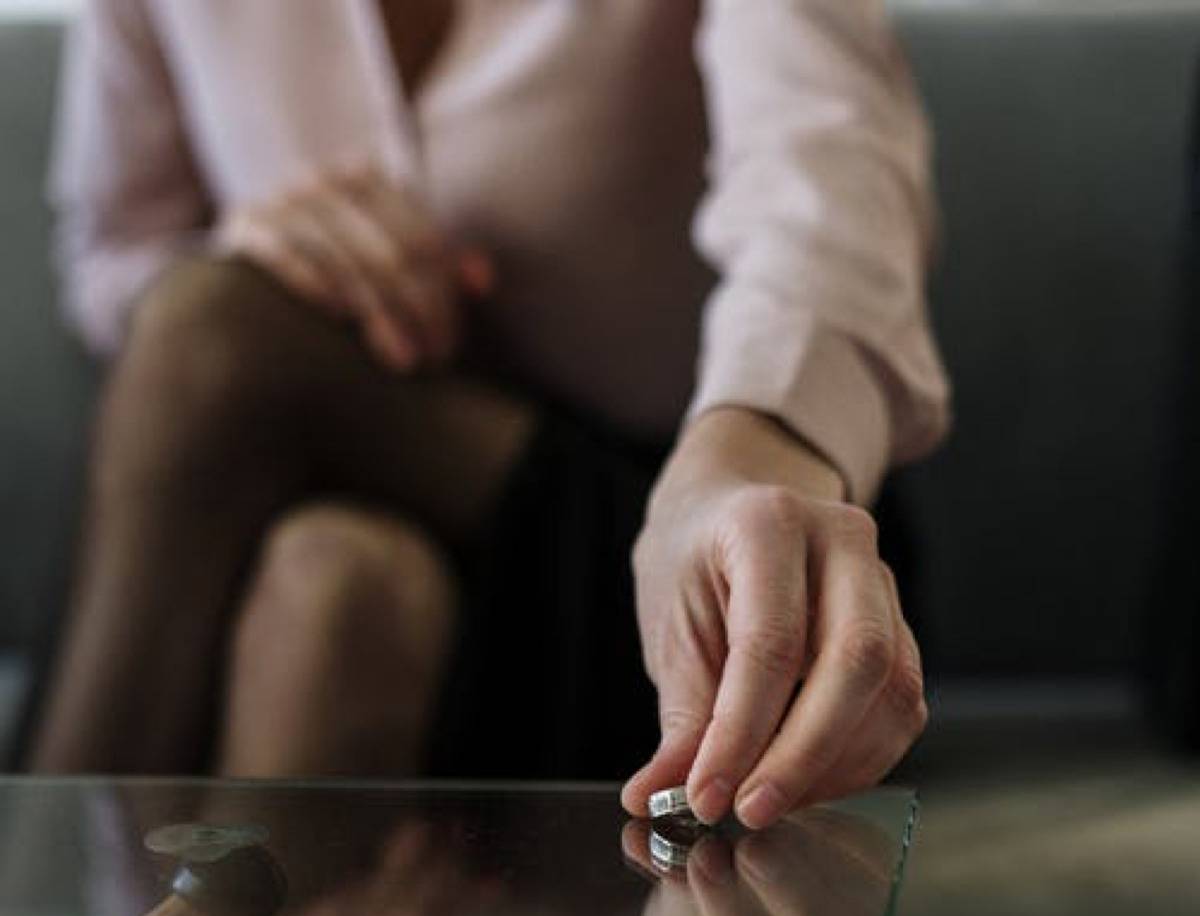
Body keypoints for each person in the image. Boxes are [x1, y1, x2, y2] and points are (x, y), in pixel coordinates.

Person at [29, 0, 950, 829]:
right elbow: (112, 254)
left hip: (658, 557)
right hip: (327, 513)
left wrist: (752, 451)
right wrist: (264, 252)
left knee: (213, 338)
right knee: (335, 583)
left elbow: (829, 182)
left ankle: (36, 906)